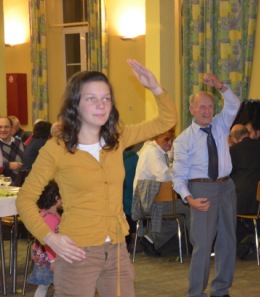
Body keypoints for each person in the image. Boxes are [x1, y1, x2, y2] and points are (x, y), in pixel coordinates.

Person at [16, 59, 177, 297]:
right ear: (75, 104)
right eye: (91, 98)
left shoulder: (117, 138)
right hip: (77, 251)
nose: (101, 105)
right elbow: (25, 199)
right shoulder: (56, 149)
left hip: (116, 250)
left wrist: (155, 88)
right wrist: (50, 238)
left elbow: (167, 120)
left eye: (106, 98)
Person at [173, 74, 240, 297]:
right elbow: (178, 176)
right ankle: (196, 293)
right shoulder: (184, 139)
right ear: (191, 109)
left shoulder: (221, 125)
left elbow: (234, 103)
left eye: (210, 106)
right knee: (202, 245)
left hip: (226, 187)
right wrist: (189, 198)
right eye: (201, 107)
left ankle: (221, 290)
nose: (207, 111)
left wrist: (220, 86)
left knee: (228, 242)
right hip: (201, 190)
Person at [133, 129, 191, 256]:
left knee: (178, 219)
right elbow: (164, 176)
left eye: (172, 140)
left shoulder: (155, 151)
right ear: (156, 138)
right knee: (189, 208)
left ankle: (150, 240)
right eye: (166, 139)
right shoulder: (152, 151)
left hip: (152, 200)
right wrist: (179, 175)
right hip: (148, 201)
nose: (170, 143)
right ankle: (199, 245)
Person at [229, 124, 260, 255]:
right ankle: (258, 236)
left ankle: (245, 237)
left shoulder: (235, 150)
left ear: (234, 138)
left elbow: (227, 172)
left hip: (244, 201)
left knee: (224, 208)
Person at [27, 180, 62, 297]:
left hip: (43, 254)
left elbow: (37, 234)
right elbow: (48, 242)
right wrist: (53, 260)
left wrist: (34, 247)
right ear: (57, 198)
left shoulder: (43, 213)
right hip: (49, 257)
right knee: (49, 284)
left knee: (44, 285)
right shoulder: (51, 218)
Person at [0, 116, 24, 184]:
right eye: (0, 127)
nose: (3, 130)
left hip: (20, 185)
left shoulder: (19, 143)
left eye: (6, 127)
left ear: (12, 128)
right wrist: (8, 165)